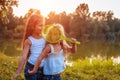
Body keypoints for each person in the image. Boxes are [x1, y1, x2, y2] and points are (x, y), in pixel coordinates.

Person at [14, 14, 46, 80]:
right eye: (40, 25)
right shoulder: (29, 40)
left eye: (43, 25)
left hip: (44, 69)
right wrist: (18, 72)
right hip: (31, 68)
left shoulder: (46, 38)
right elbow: (23, 57)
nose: (42, 27)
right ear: (32, 26)